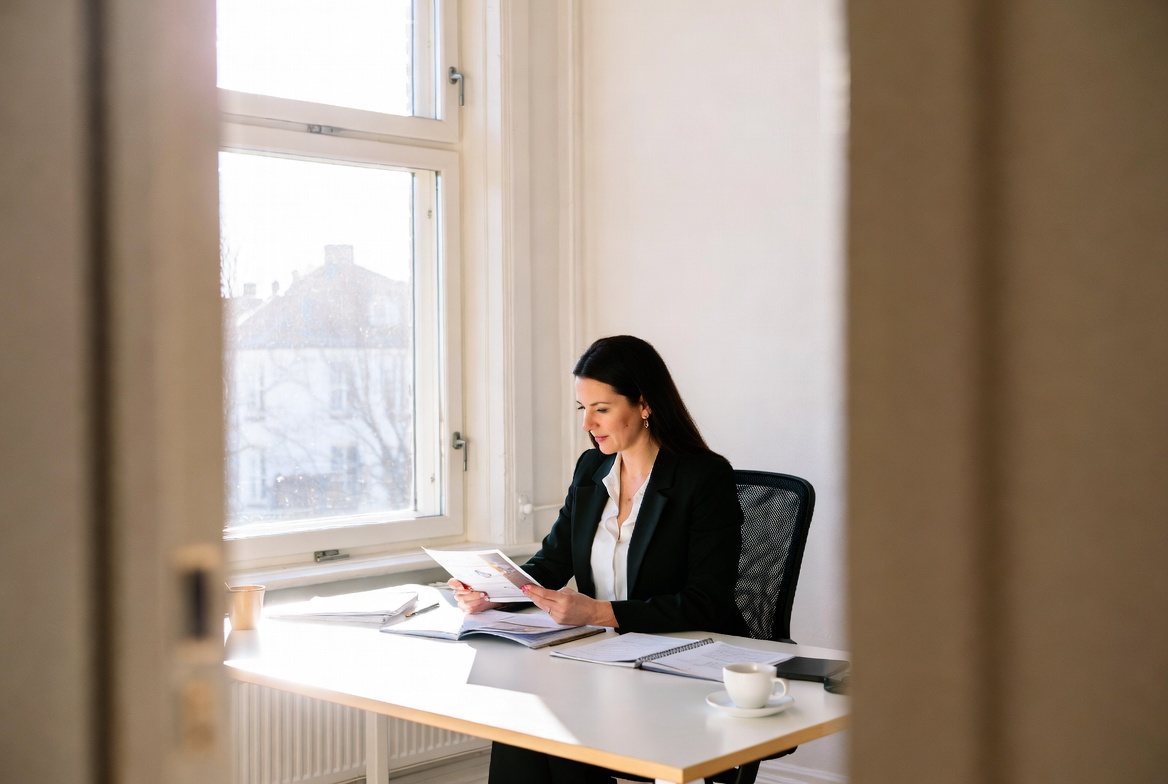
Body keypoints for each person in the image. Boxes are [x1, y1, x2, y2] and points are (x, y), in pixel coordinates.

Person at [449, 335, 748, 784]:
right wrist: (493, 592)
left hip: (676, 662)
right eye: (581, 409)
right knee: (523, 719)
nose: (588, 423)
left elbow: (708, 601)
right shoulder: (592, 470)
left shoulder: (703, 478)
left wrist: (599, 612)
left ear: (644, 404)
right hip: (601, 660)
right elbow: (552, 562)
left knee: (560, 727)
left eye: (602, 409)